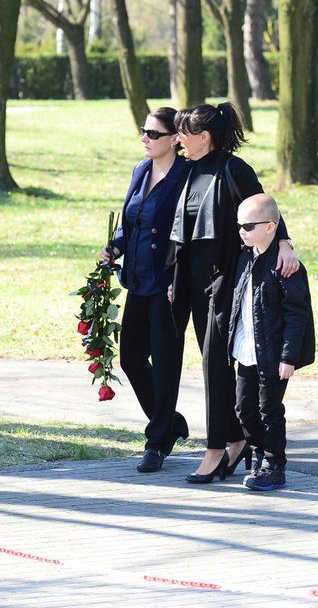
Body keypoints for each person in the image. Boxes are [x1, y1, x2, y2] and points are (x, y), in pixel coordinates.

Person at [168, 102, 299, 484]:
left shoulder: (233, 168)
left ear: (204, 137)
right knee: (215, 368)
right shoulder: (190, 169)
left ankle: (214, 451)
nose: (178, 140)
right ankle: (237, 440)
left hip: (227, 282)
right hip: (194, 284)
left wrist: (285, 243)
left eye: (184, 133)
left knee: (215, 367)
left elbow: (264, 209)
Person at [101, 108, 191, 473]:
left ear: (175, 140)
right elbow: (130, 222)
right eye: (144, 131)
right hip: (137, 279)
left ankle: (157, 441)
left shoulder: (186, 176)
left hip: (168, 284)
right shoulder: (140, 171)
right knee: (130, 359)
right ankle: (169, 421)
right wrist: (115, 248)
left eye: (154, 134)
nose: (145, 138)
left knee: (167, 364)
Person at [226, 194, 316, 491]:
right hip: (247, 349)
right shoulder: (246, 256)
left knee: (269, 411)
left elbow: (296, 313)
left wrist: (288, 358)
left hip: (274, 354)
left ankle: (273, 464)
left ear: (270, 227)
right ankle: (257, 452)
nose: (242, 231)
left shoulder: (285, 266)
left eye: (248, 226)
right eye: (239, 225)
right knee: (243, 409)